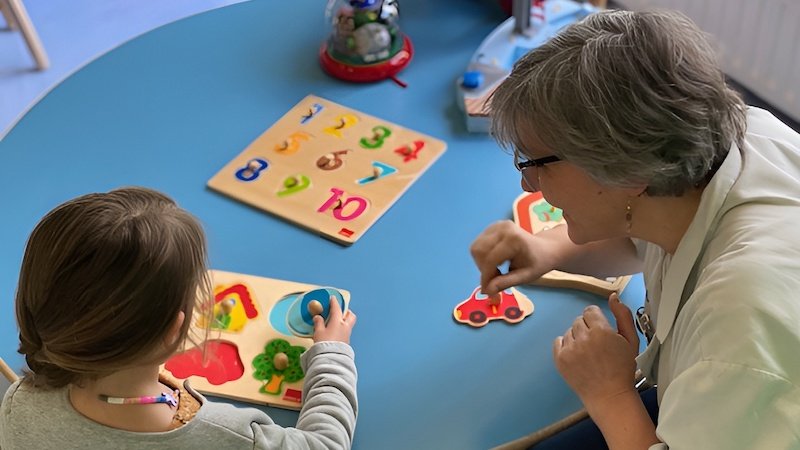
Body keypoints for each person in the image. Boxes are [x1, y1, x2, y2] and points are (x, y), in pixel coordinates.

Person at [470, 9, 800, 450]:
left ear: (623, 170)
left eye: (535, 163)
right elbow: (646, 230)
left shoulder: (736, 325)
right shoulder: (737, 135)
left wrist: (610, 394)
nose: (526, 185)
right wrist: (547, 250)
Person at [0, 187, 358, 449]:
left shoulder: (19, 404)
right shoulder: (228, 437)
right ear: (174, 328)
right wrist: (331, 354)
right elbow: (325, 444)